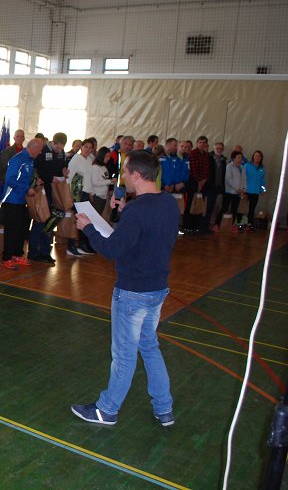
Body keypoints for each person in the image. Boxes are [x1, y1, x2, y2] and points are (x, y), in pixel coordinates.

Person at [71, 150, 178, 427]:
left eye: (126, 172)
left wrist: (88, 228)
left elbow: (112, 249)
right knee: (149, 346)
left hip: (133, 292)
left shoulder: (137, 210)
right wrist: (123, 212)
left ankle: (107, 409)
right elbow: (144, 237)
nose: (124, 178)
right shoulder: (168, 202)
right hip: (157, 288)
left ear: (137, 175)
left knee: (124, 354)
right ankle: (164, 408)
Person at [0, 138, 43, 270]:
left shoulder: (29, 160)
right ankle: (6, 258)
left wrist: (35, 181)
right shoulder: (17, 159)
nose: (40, 152)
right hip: (12, 200)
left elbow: (25, 178)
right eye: (39, 149)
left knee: (22, 229)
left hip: (23, 200)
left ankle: (17, 254)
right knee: (11, 230)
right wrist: (26, 189)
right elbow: (10, 179)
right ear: (33, 148)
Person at [28, 132, 69, 264]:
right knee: (39, 222)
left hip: (55, 192)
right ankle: (33, 252)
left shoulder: (61, 153)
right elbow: (36, 170)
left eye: (61, 148)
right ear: (53, 142)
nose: (59, 150)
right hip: (42, 193)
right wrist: (50, 178)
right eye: (57, 148)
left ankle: (45, 252)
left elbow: (62, 166)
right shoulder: (43, 151)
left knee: (50, 224)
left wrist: (64, 170)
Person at [66, 138, 96, 256]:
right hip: (76, 193)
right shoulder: (76, 159)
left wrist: (91, 193)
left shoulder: (90, 159)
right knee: (74, 220)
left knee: (85, 220)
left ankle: (82, 245)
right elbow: (69, 177)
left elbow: (89, 178)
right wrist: (70, 195)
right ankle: (71, 246)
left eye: (90, 148)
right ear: (81, 147)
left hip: (86, 193)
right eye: (86, 147)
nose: (88, 149)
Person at [215, 150, 246, 230]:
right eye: (238, 157)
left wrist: (243, 189)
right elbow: (229, 179)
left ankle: (231, 225)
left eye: (241, 157)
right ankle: (217, 224)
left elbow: (244, 179)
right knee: (224, 208)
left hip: (238, 193)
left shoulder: (242, 167)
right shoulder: (229, 166)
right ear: (234, 158)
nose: (240, 159)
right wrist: (237, 189)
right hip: (229, 191)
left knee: (234, 209)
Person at [184, 136, 210, 233]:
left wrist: (204, 180)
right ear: (197, 143)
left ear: (206, 144)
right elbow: (193, 169)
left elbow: (207, 169)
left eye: (204, 142)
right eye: (200, 142)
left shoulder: (206, 155)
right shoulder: (193, 153)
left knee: (199, 204)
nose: (202, 144)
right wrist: (198, 181)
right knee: (191, 204)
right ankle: (187, 226)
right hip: (193, 182)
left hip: (203, 183)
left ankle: (196, 226)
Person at [205, 142, 226, 232]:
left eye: (221, 148)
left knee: (217, 206)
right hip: (210, 186)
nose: (219, 150)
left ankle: (212, 224)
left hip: (219, 187)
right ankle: (206, 226)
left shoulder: (223, 160)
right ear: (214, 149)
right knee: (208, 207)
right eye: (217, 148)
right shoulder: (209, 158)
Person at [0, 129, 25, 195]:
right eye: (17, 136)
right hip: (10, 182)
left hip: (22, 183)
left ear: (24, 139)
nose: (19, 138)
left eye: (21, 137)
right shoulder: (8, 150)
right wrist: (3, 180)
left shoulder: (25, 152)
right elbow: (1, 166)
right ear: (14, 138)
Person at [244, 151, 265, 231]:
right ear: (253, 157)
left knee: (252, 209)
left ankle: (250, 224)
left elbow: (262, 181)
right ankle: (239, 224)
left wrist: (263, 190)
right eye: (256, 156)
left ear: (261, 158)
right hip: (246, 191)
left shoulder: (262, 168)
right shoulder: (247, 166)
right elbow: (243, 178)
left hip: (255, 191)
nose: (257, 157)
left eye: (259, 156)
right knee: (242, 208)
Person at [89, 147, 113, 217]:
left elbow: (104, 180)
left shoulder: (103, 167)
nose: (108, 158)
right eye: (107, 156)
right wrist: (109, 181)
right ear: (102, 156)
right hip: (97, 196)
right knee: (95, 217)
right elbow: (95, 182)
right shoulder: (95, 167)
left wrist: (111, 182)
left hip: (103, 196)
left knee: (99, 216)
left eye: (109, 156)